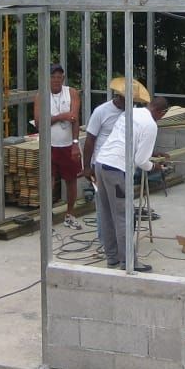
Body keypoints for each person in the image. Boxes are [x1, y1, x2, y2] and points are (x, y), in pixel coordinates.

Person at [93, 93, 170, 272]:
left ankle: (112, 259)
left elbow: (128, 142)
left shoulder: (130, 112)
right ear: (162, 113)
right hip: (116, 170)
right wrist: (156, 167)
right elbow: (142, 160)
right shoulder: (151, 125)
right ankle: (129, 262)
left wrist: (153, 154)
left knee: (106, 214)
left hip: (101, 163)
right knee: (124, 217)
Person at [79, 78, 141, 253]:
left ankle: (116, 246)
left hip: (123, 167)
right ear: (119, 97)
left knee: (121, 207)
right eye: (127, 100)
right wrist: (87, 167)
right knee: (105, 208)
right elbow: (90, 140)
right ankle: (106, 243)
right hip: (102, 165)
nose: (130, 104)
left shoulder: (132, 112)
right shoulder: (102, 112)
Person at [32, 63, 81, 226]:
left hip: (67, 144)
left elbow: (74, 118)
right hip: (49, 145)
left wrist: (75, 143)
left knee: (71, 180)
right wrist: (60, 116)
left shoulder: (71, 93)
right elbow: (39, 123)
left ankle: (70, 214)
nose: (56, 80)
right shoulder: (41, 95)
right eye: (53, 77)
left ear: (63, 78)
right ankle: (47, 216)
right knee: (49, 180)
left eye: (59, 77)